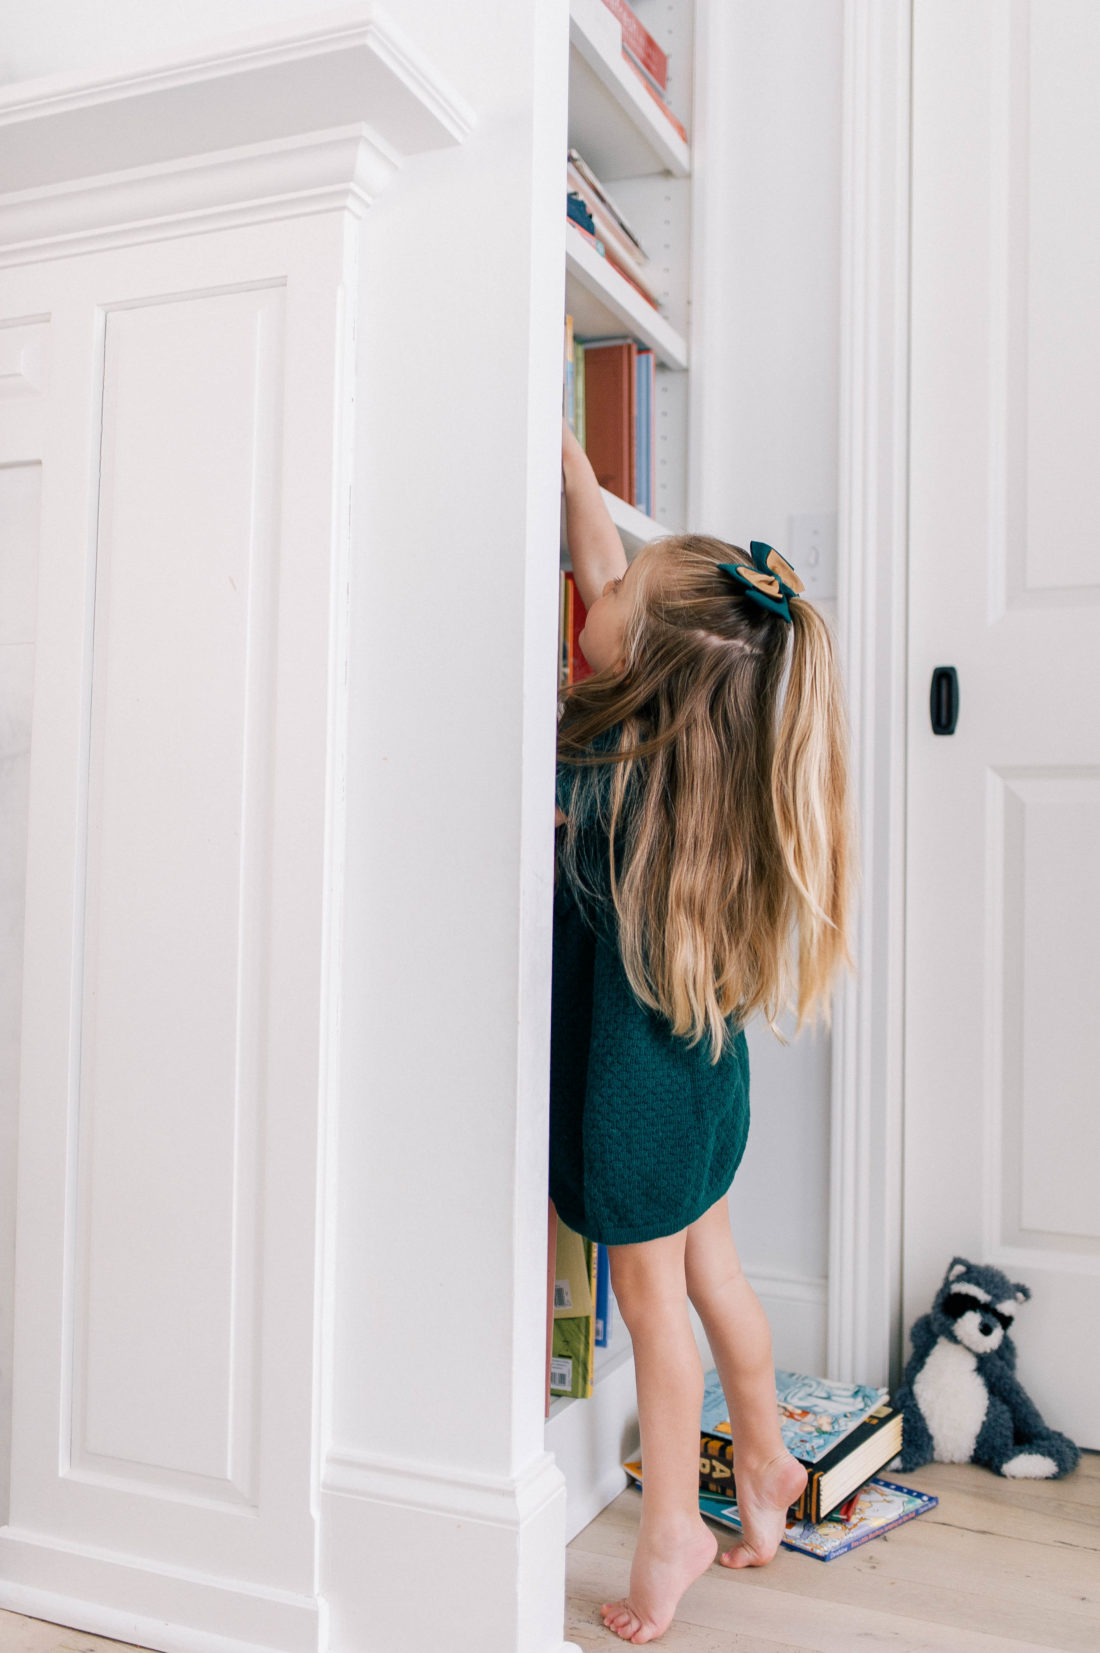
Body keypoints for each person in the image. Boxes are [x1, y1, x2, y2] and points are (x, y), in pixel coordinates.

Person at [553, 420, 855, 1644]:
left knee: (651, 1304)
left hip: (635, 1100)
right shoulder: (691, 768)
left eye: (620, 584)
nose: (598, 586)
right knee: (714, 1276)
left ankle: (672, 1521)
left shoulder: (612, 767)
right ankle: (770, 1468)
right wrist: (576, 477)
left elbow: (601, 621)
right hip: (699, 1089)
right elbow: (605, 600)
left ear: (652, 666)